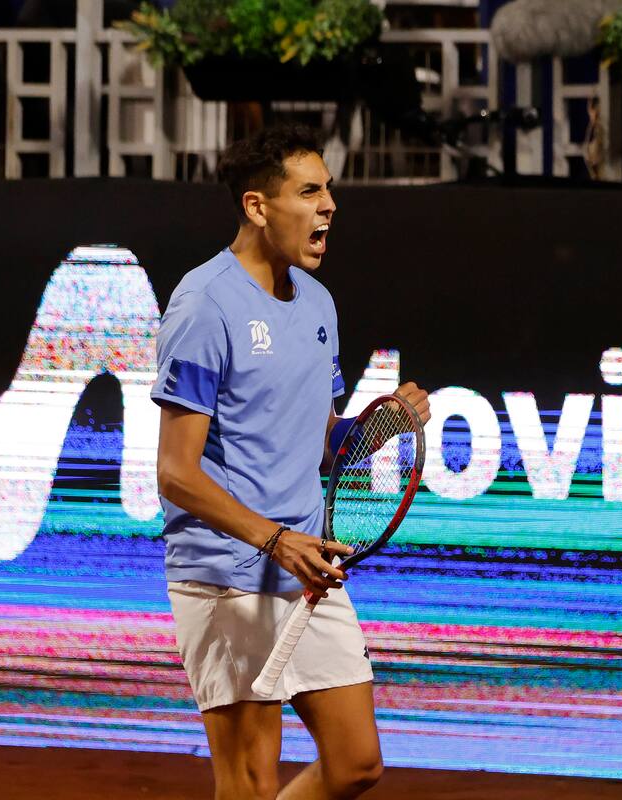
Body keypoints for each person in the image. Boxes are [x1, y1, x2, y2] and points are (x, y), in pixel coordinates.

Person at [152, 122, 431, 800]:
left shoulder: (318, 303)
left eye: (328, 189)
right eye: (310, 191)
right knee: (248, 780)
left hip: (308, 567)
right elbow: (176, 472)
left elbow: (320, 440)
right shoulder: (203, 305)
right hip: (230, 573)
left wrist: (380, 429)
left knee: (356, 762)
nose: (329, 205)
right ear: (257, 206)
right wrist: (274, 540)